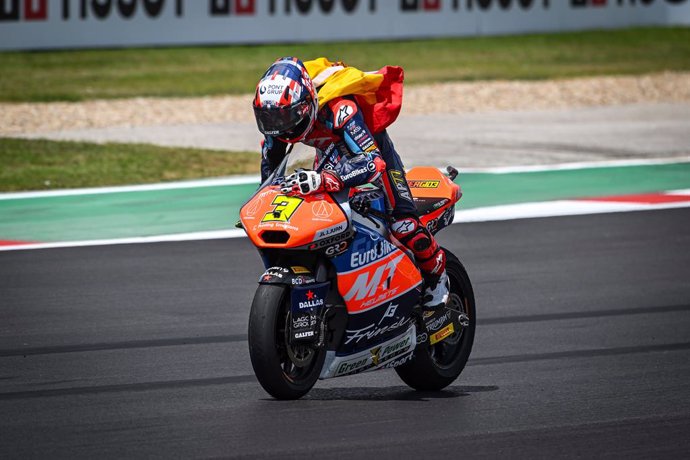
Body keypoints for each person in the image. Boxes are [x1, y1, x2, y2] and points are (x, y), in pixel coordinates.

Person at [252, 57, 448, 310]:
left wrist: (327, 178)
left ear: (307, 105)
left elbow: (372, 162)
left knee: (403, 224)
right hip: (328, 159)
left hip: (373, 156)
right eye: (271, 119)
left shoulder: (341, 110)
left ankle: (437, 276)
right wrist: (263, 199)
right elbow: (270, 170)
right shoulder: (279, 122)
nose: (281, 127)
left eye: (286, 117)